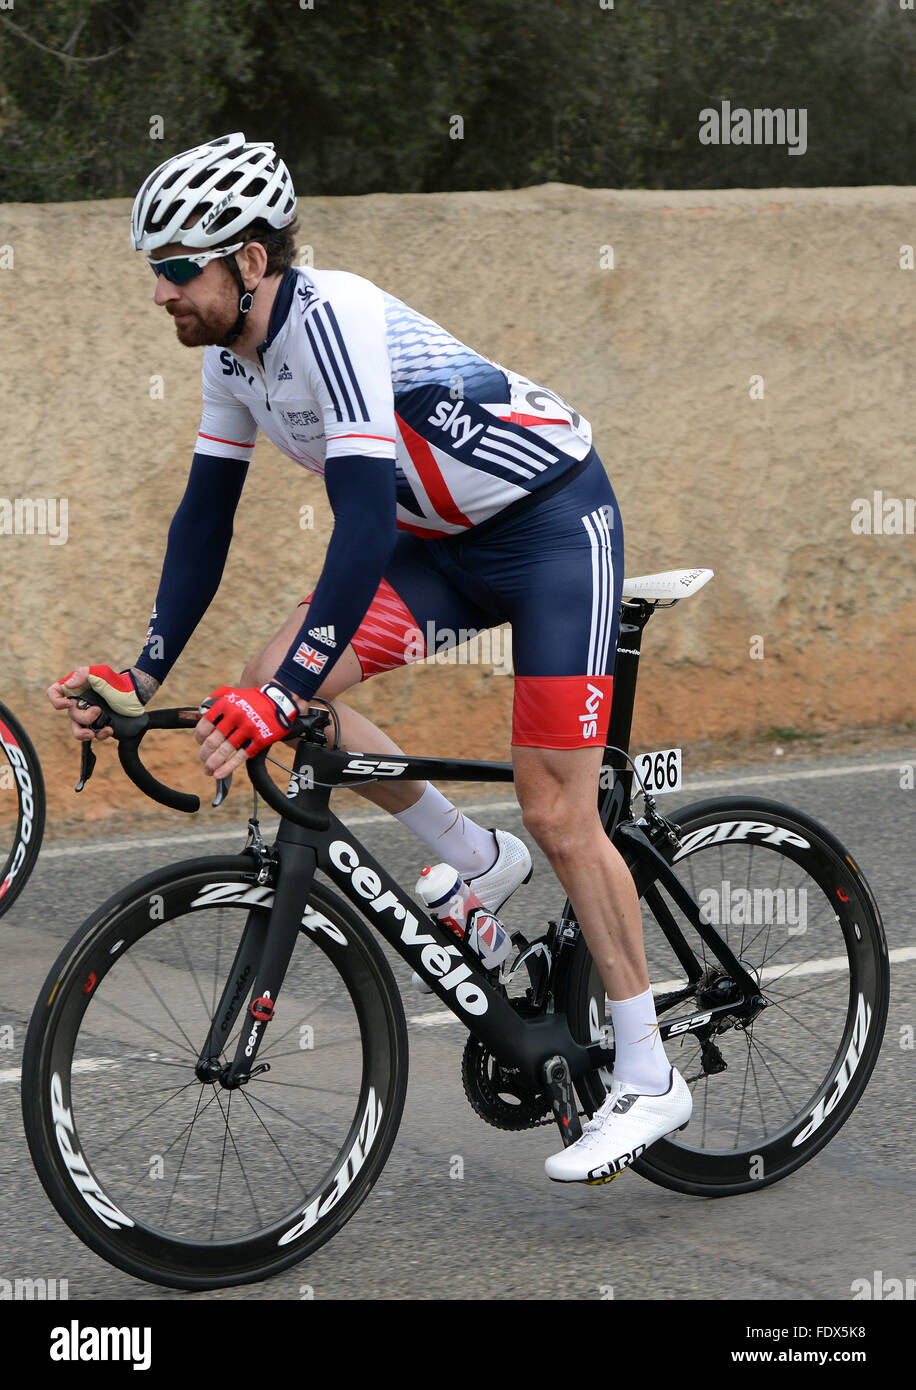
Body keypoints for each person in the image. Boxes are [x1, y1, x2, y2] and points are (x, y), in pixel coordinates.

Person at [47, 132, 691, 1182]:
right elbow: (203, 518)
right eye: (153, 270)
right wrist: (144, 671)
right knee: (277, 687)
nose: (159, 292)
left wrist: (283, 690)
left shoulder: (333, 318)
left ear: (250, 259)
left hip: (548, 528)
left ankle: (649, 1072)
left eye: (175, 268)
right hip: (441, 547)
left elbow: (357, 526)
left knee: (559, 807)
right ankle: (472, 858)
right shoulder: (232, 356)